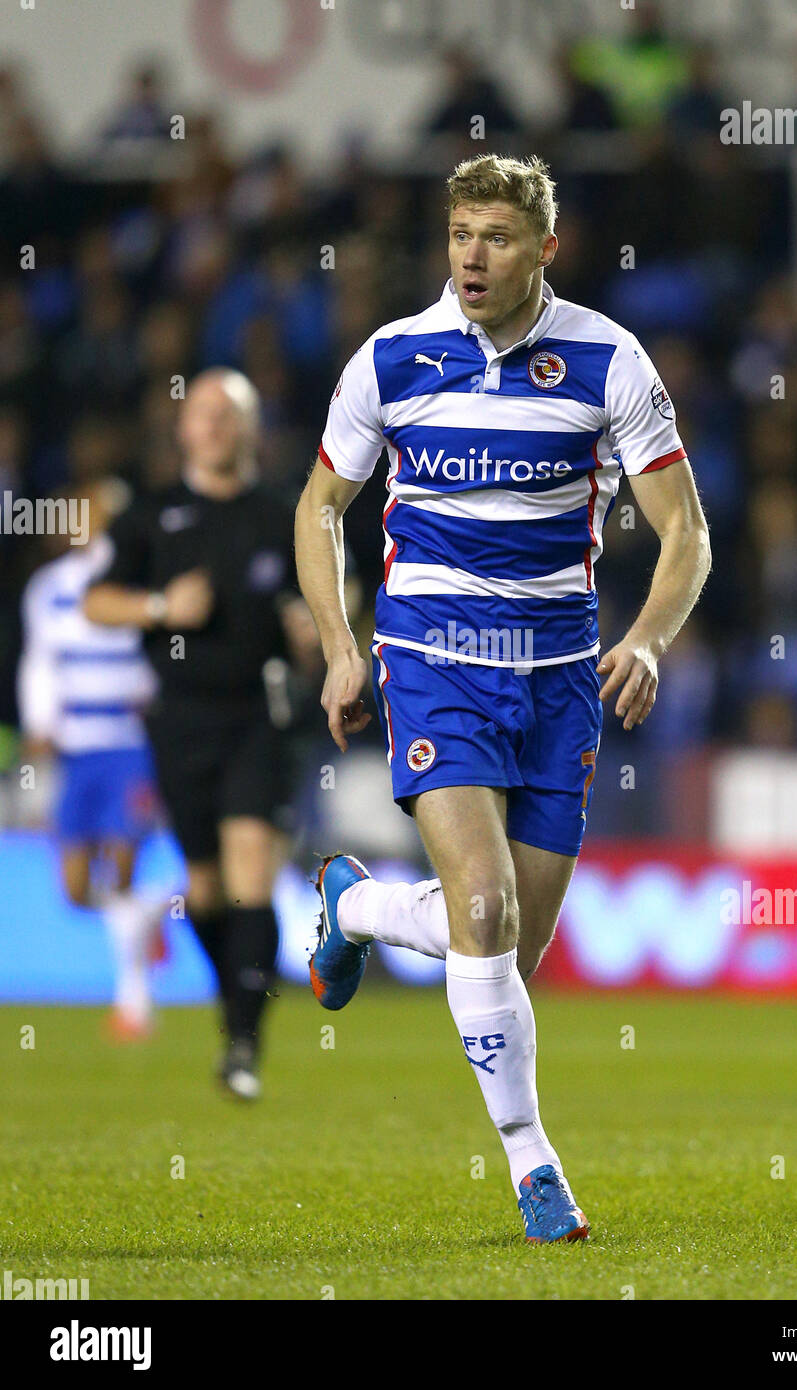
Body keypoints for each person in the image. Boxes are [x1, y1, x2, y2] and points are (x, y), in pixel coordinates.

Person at [295, 154, 711, 1242]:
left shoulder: (608, 360)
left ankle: (362, 907)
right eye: (459, 235)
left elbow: (687, 535)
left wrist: (651, 642)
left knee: (506, 958)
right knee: (484, 911)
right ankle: (535, 1166)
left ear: (544, 249)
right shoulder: (390, 360)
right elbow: (319, 507)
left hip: (560, 675)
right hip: (433, 658)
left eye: (496, 237)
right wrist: (342, 644)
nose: (472, 256)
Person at [85, 369, 317, 1099]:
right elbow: (96, 601)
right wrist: (159, 604)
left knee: (251, 868)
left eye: (230, 414)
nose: (214, 425)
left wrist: (312, 632)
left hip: (260, 715)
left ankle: (244, 1043)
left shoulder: (285, 516)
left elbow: (330, 601)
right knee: (205, 890)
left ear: (251, 429)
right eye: (203, 413)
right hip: (179, 722)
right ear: (183, 430)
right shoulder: (152, 516)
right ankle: (235, 1005)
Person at [17, 480, 165, 1039]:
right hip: (76, 750)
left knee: (122, 864)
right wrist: (39, 723)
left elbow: (159, 656)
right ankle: (144, 915)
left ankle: (134, 1003)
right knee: (76, 887)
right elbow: (39, 661)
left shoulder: (136, 578)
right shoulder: (49, 587)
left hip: (128, 746)